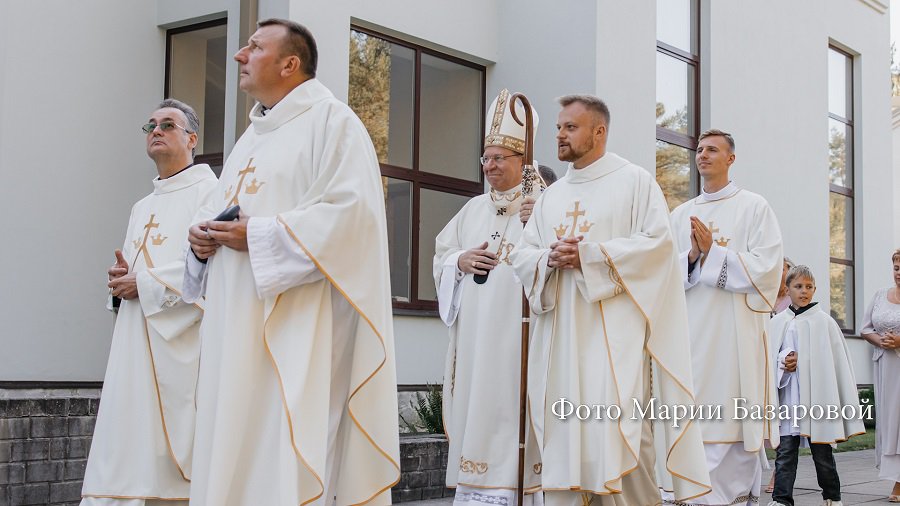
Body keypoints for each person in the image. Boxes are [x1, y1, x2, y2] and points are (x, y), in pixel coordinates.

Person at [183, 19, 399, 505]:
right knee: (231, 439)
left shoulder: (334, 124)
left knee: (282, 443)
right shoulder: (251, 138)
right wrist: (199, 239)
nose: (239, 55)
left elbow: (352, 220)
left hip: (299, 329)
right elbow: (217, 210)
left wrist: (256, 234)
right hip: (233, 329)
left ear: (289, 63)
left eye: (254, 47)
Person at [511, 94, 710, 506]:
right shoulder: (553, 194)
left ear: (598, 132)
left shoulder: (635, 182)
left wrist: (589, 256)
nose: (560, 134)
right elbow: (523, 253)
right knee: (565, 437)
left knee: (622, 436)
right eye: (559, 126)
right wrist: (548, 258)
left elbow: (656, 248)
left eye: (570, 127)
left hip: (612, 343)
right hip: (559, 344)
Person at [81, 99, 217, 505]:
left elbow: (209, 264)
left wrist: (145, 283)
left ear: (192, 139)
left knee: (170, 454)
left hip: (182, 344)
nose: (156, 130)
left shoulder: (211, 192)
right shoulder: (142, 207)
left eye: (168, 125)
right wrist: (121, 285)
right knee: (126, 443)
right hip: (133, 341)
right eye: (152, 125)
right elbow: (132, 270)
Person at [434, 89, 542, 506]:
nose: (490, 166)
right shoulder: (472, 209)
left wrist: (542, 222)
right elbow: (442, 256)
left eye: (500, 158)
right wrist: (459, 261)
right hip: (477, 341)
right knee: (479, 408)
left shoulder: (541, 204)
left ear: (522, 162)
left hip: (520, 345)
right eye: (487, 158)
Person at [669, 129, 783, 506]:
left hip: (735, 337)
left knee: (732, 420)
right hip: (690, 335)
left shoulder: (754, 207)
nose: (703, 155)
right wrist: (690, 258)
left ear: (731, 158)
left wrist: (712, 254)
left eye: (713, 149)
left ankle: (728, 496)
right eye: (700, 149)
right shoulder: (681, 214)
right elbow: (664, 274)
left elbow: (768, 270)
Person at [766, 265, 864, 506]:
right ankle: (781, 499)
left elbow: (830, 362)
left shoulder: (824, 322)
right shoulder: (778, 322)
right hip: (789, 398)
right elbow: (769, 358)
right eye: (798, 286)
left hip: (817, 400)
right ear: (787, 289)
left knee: (823, 455)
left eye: (809, 287)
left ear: (815, 289)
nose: (804, 291)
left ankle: (832, 497)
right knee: (785, 453)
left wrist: (803, 360)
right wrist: (783, 361)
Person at [860, 248, 900, 503]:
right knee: (889, 422)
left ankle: (899, 483)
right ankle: (895, 476)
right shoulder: (879, 295)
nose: (899, 272)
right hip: (886, 367)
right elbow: (865, 328)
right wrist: (881, 341)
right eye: (897, 267)